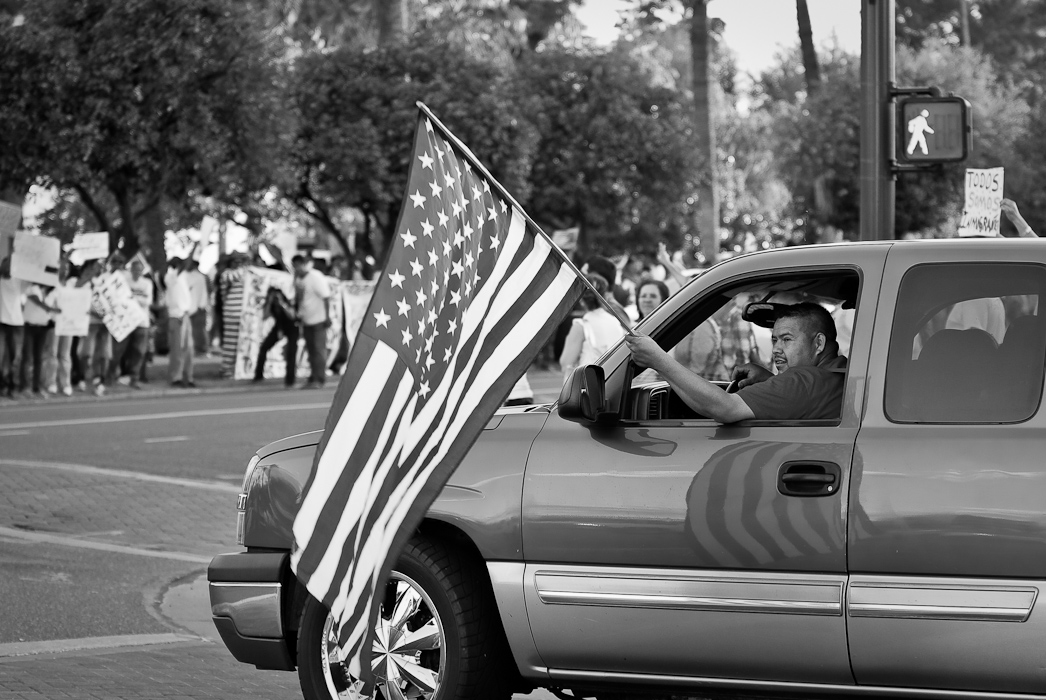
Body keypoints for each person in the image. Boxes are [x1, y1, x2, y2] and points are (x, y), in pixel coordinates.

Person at [625, 302, 846, 423]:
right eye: (774, 340)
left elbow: (725, 408)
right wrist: (769, 380)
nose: (777, 349)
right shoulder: (837, 375)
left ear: (818, 343)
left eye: (787, 340)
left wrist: (658, 360)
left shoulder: (803, 380)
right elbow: (803, 398)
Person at [559, 273, 624, 379]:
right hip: (612, 380)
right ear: (605, 295)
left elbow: (565, 362)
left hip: (589, 383)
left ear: (581, 298)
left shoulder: (582, 325)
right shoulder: (616, 322)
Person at [292, 254, 332, 389]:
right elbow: (299, 298)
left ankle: (320, 378)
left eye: (298, 265)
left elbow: (326, 297)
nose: (297, 268)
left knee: (319, 350)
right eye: (294, 266)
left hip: (318, 319)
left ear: (304, 264)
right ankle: (313, 377)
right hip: (306, 319)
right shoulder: (298, 279)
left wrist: (328, 317)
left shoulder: (315, 277)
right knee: (311, 350)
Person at [253, 284, 298, 387]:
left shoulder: (286, 302)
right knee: (263, 348)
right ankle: (258, 376)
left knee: (291, 353)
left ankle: (290, 381)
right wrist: (269, 302)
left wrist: (282, 303)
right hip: (279, 327)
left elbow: (292, 316)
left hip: (292, 328)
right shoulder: (271, 304)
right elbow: (265, 316)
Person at [165, 247, 198, 387]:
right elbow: (186, 264)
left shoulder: (183, 277)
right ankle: (176, 377)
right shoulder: (171, 276)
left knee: (189, 349)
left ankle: (188, 376)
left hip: (185, 315)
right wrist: (195, 247)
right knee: (177, 349)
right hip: (176, 316)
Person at [78, 259, 111, 396]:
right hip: (89, 322)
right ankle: (82, 378)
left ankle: (100, 379)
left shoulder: (107, 281)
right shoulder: (85, 283)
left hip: (105, 323)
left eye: (100, 266)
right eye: (96, 266)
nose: (99, 268)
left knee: (103, 354)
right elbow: (77, 292)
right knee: (86, 352)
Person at [21, 281, 58, 397]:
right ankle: (25, 386)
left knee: (39, 358)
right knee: (27, 357)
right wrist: (49, 308)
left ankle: (37, 387)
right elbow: (34, 299)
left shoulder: (51, 292)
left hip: (43, 328)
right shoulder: (33, 288)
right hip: (29, 327)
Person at [123, 257, 153, 388]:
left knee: (139, 351)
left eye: (140, 270)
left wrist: (131, 298)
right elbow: (121, 299)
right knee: (122, 350)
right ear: (130, 270)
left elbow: (147, 301)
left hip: (142, 321)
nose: (137, 272)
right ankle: (116, 375)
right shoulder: (124, 281)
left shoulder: (147, 283)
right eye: (135, 269)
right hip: (126, 321)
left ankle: (134, 377)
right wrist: (137, 298)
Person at [0, 256, 27, 399]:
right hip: (2, 323)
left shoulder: (19, 281)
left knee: (15, 357)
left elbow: (38, 277)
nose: (8, 267)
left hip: (16, 323)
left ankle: (12, 386)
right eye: (6, 263)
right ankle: (3, 385)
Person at [186, 259, 210, 354]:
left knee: (199, 330)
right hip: (193, 306)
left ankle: (201, 349)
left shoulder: (200, 277)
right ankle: (197, 348)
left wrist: (201, 305)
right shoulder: (190, 276)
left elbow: (205, 292)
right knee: (196, 330)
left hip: (198, 307)